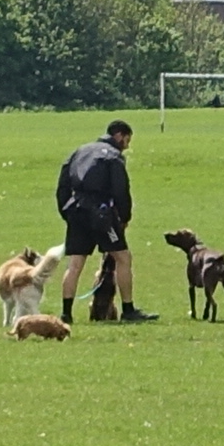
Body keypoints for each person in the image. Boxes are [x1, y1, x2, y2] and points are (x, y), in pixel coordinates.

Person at [56, 116, 148, 321]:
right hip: (101, 214)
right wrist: (124, 217)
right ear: (119, 135)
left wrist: (66, 213)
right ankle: (129, 310)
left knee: (75, 263)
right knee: (123, 258)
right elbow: (120, 190)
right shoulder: (113, 156)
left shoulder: (78, 151)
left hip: (76, 210)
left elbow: (63, 186)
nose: (126, 147)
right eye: (127, 141)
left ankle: (66, 314)